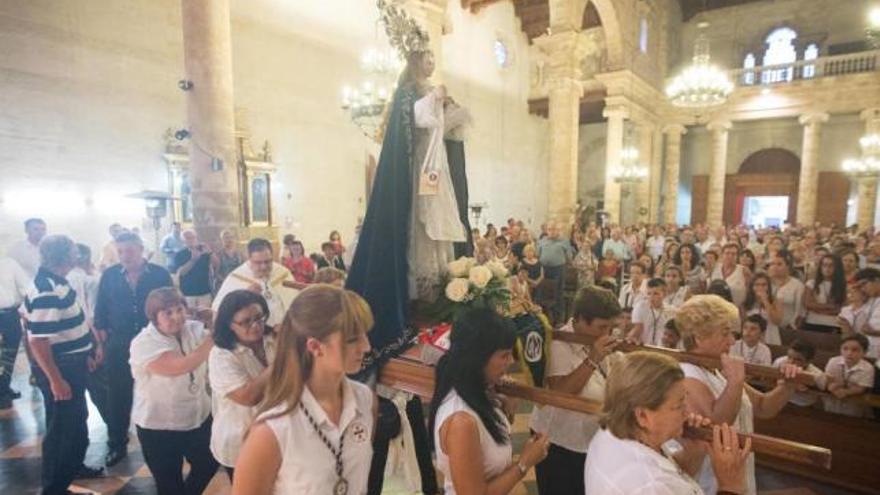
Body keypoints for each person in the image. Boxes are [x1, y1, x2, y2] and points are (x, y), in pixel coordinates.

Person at [232, 285, 375, 494]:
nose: (367, 346)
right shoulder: (272, 430)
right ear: (315, 347)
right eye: (352, 339)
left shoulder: (364, 399)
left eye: (365, 334)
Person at [676, 295, 801, 495]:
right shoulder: (686, 374)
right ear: (699, 336)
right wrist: (735, 383)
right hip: (710, 480)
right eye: (725, 334)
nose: (733, 341)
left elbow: (763, 407)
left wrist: (787, 385)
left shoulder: (719, 368)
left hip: (737, 469)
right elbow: (716, 428)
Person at [584, 351, 752, 495]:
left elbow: (674, 480)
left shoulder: (614, 432)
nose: (688, 412)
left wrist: (694, 452)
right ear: (643, 416)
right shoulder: (649, 485)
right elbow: (660, 483)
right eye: (679, 406)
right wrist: (730, 486)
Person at [429, 308, 550, 495]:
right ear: (476, 358)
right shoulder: (461, 422)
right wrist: (524, 462)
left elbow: (486, 445)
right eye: (504, 355)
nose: (510, 361)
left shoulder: (477, 390)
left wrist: (507, 408)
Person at [24, 235, 102, 494]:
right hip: (62, 368)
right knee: (62, 431)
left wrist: (86, 353)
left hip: (73, 363)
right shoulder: (46, 288)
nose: (76, 255)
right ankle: (54, 488)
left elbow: (70, 327)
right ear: (64, 256)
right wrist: (56, 379)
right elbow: (38, 341)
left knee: (75, 423)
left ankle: (70, 472)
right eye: (72, 251)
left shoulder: (57, 281)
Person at [529, 286, 622, 495]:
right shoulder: (558, 342)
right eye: (601, 327)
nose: (606, 334)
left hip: (592, 437)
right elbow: (561, 393)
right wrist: (593, 358)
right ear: (579, 319)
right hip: (559, 441)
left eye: (610, 328)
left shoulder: (599, 338)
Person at [93, 232, 173, 466]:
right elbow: (101, 310)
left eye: (129, 250)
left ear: (141, 250)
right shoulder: (109, 275)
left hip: (154, 343)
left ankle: (165, 440)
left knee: (159, 391)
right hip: (120, 344)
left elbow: (171, 304)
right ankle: (116, 444)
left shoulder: (159, 274)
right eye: (120, 251)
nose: (124, 256)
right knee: (118, 395)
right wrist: (102, 343)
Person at [129, 288, 217, 494]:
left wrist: (211, 316)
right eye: (167, 313)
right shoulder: (143, 343)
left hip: (198, 417)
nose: (177, 317)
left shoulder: (192, 329)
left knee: (209, 462)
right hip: (159, 427)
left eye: (179, 309)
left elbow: (218, 324)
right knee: (169, 484)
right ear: (154, 317)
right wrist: (214, 337)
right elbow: (181, 366)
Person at [209, 290, 275, 480]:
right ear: (229, 324)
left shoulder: (272, 338)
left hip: (278, 434)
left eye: (260, 318)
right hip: (241, 439)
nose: (256, 326)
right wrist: (282, 361)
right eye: (246, 322)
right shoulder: (221, 355)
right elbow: (248, 397)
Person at [213, 238, 298, 329]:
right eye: (258, 262)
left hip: (284, 331)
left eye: (268, 261)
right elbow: (220, 313)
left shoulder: (282, 273)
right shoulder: (235, 278)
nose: (263, 267)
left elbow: (296, 305)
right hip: (253, 335)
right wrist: (245, 296)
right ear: (249, 258)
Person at [0, 256, 32, 409]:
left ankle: (3, 387)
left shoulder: (9, 263)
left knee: (8, 354)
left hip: (9, 315)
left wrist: (27, 311)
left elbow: (27, 288)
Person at [822, 334, 875, 417]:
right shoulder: (833, 361)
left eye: (855, 350)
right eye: (845, 349)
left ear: (864, 352)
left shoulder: (868, 368)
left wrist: (846, 392)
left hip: (853, 403)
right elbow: (828, 379)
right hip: (832, 400)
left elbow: (861, 388)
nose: (849, 353)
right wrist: (830, 386)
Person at [772, 340, 824, 407]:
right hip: (780, 401)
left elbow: (822, 392)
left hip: (804, 406)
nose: (791, 362)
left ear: (808, 362)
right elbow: (770, 380)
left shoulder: (817, 374)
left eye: (797, 359)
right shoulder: (780, 362)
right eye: (789, 357)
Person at [803, 254, 847, 333]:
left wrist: (819, 310)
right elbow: (808, 304)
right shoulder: (811, 283)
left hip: (834, 324)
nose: (827, 268)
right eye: (824, 265)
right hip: (813, 322)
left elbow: (842, 308)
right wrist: (830, 306)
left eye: (831, 265)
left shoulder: (843, 285)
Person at [173, 230, 213, 310]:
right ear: (183, 241)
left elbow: (216, 265)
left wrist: (210, 252)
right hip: (188, 293)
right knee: (190, 319)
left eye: (193, 237)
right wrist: (193, 260)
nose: (191, 240)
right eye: (188, 238)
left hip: (204, 291)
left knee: (206, 316)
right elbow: (182, 273)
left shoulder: (204, 251)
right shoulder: (179, 254)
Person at [768, 250, 805, 335]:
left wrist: (791, 326)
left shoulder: (797, 285)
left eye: (779, 264)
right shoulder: (766, 283)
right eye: (772, 264)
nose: (775, 267)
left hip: (787, 329)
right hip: (767, 326)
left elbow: (800, 311)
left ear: (788, 266)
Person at [630, 278, 675, 347]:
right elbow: (637, 329)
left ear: (665, 294)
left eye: (656, 294)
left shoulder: (671, 310)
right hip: (643, 346)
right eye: (649, 293)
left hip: (662, 348)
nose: (651, 297)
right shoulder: (640, 307)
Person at [742, 273, 783, 346]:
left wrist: (765, 301)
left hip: (770, 336)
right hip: (752, 339)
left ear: (768, 287)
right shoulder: (746, 303)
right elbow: (744, 324)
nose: (760, 287)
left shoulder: (776, 301)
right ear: (752, 287)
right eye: (757, 285)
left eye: (764, 285)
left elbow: (777, 321)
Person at [709, 243, 750, 311]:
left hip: (736, 309)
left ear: (737, 256)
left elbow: (749, 293)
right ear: (722, 255)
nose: (730, 256)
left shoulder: (744, 271)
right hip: (715, 309)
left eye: (733, 254)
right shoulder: (714, 268)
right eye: (727, 253)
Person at [211, 229, 244, 295]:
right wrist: (227, 281)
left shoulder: (240, 254)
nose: (229, 240)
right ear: (222, 240)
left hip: (237, 286)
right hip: (222, 286)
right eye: (226, 238)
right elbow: (215, 273)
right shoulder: (217, 255)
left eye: (231, 237)